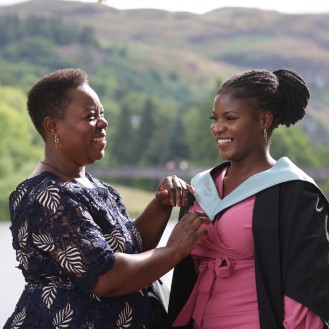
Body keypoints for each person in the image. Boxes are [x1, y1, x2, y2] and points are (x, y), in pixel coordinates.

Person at [4, 68, 209, 329]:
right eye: (90, 116)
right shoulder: (46, 196)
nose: (103, 123)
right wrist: (174, 250)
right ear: (52, 125)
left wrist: (161, 204)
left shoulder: (98, 188)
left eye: (102, 114)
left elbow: (133, 252)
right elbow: (106, 276)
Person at [168, 68, 329, 329]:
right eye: (215, 118)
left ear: (265, 120)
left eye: (230, 118)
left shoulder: (294, 193)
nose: (217, 128)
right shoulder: (201, 188)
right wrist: (160, 205)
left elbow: (306, 290)